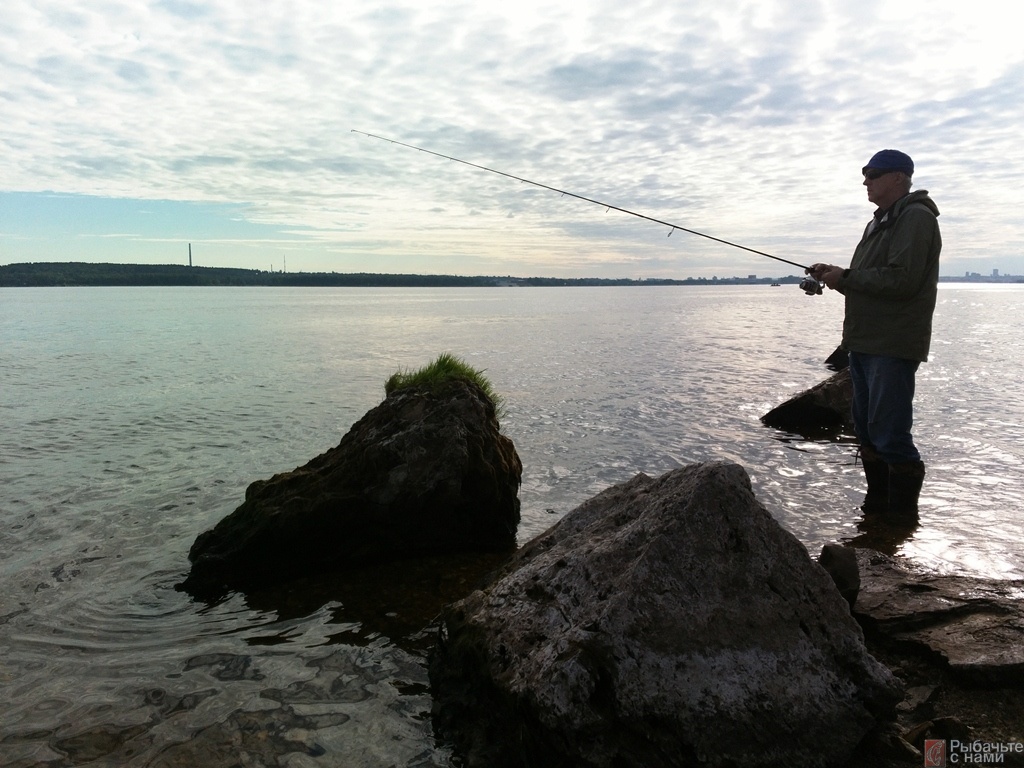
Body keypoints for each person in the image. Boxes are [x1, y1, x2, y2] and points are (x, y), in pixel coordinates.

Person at [807, 149, 941, 523]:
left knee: (890, 433)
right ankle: (875, 517)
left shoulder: (915, 217)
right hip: (865, 343)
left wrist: (845, 279)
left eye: (873, 174)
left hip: (892, 344)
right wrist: (836, 274)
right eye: (865, 175)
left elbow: (902, 280)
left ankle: (899, 522)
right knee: (867, 430)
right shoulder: (880, 221)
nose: (866, 181)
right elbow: (874, 278)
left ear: (899, 177)